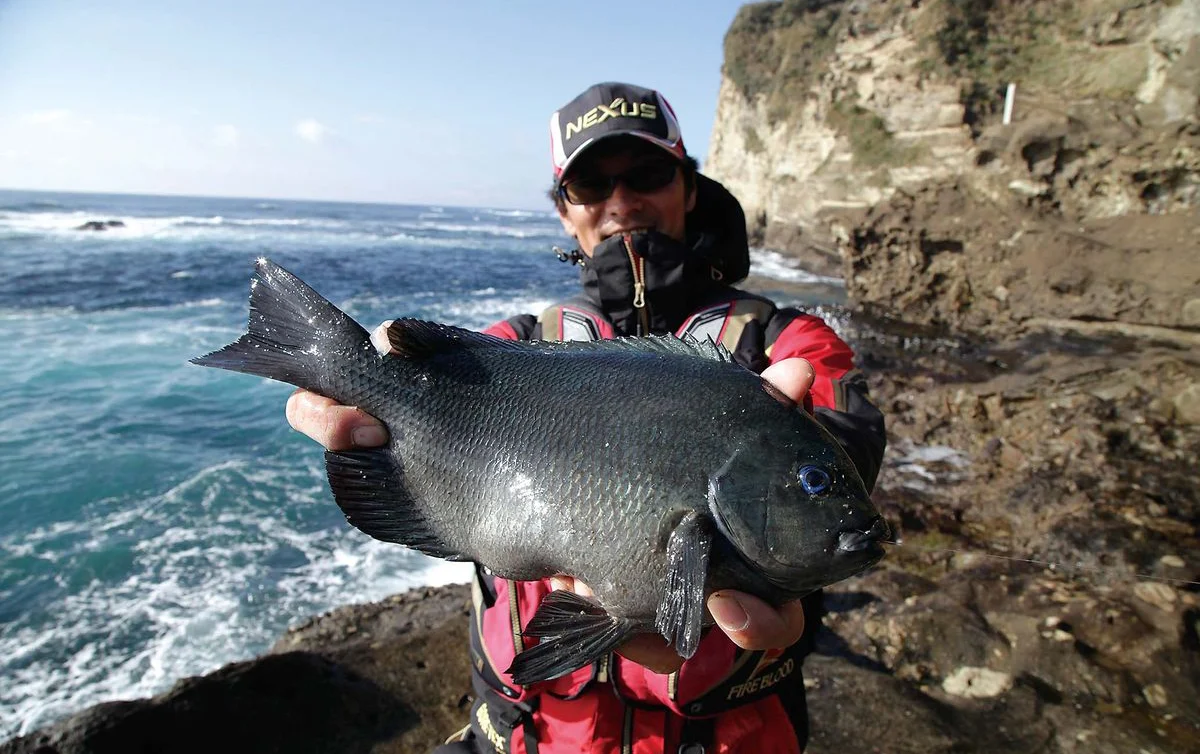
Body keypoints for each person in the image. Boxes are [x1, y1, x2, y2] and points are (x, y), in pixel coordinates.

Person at [287, 82, 886, 753]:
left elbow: (849, 425)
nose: (622, 204)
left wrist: (807, 460)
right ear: (564, 211)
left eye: (648, 174)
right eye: (591, 187)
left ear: (689, 187)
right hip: (530, 736)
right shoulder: (520, 344)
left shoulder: (778, 340)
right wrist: (354, 389)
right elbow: (427, 383)